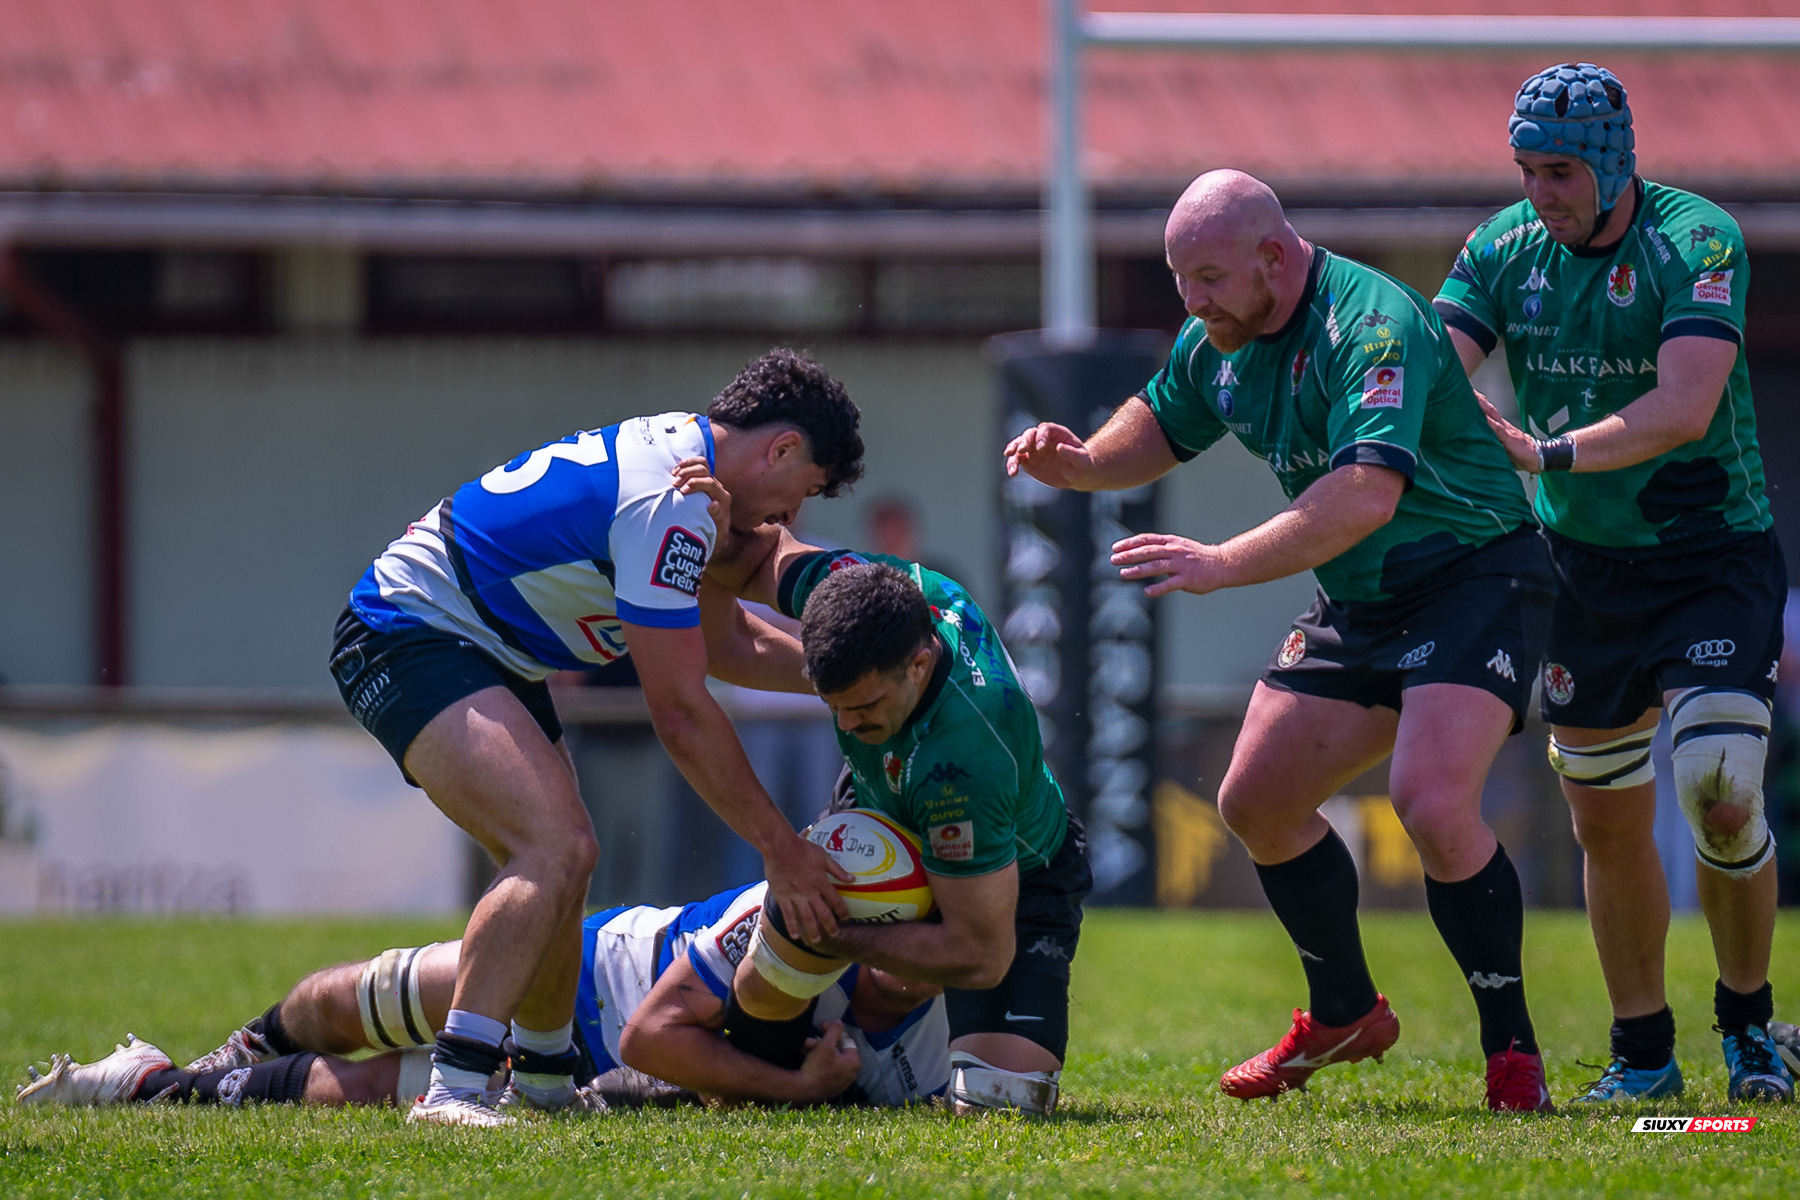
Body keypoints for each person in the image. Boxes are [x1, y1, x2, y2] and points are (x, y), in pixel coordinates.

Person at [1005, 169, 1554, 1111]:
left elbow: (1364, 495)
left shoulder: (1367, 324)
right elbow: (1162, 416)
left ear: (1275, 255)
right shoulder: (1219, 331)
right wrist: (1086, 462)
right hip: (1363, 595)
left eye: (1208, 278)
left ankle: (1513, 1054)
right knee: (1255, 800)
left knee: (1429, 800)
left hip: (1478, 576)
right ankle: (1343, 1011)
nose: (1194, 301)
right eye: (1181, 281)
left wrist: (1219, 562)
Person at [328, 348, 864, 1124]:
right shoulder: (673, 501)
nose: (788, 520)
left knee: (570, 857)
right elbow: (680, 710)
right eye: (801, 492)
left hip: (475, 645)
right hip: (407, 632)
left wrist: (846, 678)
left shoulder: (687, 472)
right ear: (780, 449)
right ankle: (455, 1089)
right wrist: (781, 849)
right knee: (555, 847)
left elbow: (726, 643)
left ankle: (545, 1081)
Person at [1432, 63, 1793, 1103]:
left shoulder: (1697, 239)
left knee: (1721, 790)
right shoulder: (1504, 247)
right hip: (1579, 569)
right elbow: (1435, 360)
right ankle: (1644, 1054)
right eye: (1526, 170)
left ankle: (1750, 1027)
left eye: (1557, 172)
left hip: (1708, 551)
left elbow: (1683, 407)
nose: (1539, 192)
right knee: (1604, 819)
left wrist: (1542, 455)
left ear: (1612, 162)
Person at [703, 533, 1091, 1115]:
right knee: (767, 980)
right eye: (834, 705)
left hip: (1017, 878)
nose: (847, 724)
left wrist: (832, 935)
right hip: (880, 813)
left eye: (863, 707)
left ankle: (851, 1050)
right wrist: (703, 530)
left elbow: (981, 953)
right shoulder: (859, 590)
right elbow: (753, 564)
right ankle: (770, 1088)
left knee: (1000, 1104)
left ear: (919, 663)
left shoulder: (965, 758)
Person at [16, 880, 949, 1112]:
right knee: (368, 998)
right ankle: (238, 1049)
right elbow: (660, 1038)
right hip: (592, 971)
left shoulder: (946, 1040)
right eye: (893, 921)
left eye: (932, 928)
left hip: (601, 1080)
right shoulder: (793, 918)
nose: (909, 947)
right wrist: (798, 1089)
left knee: (382, 1089)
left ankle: (154, 1087)